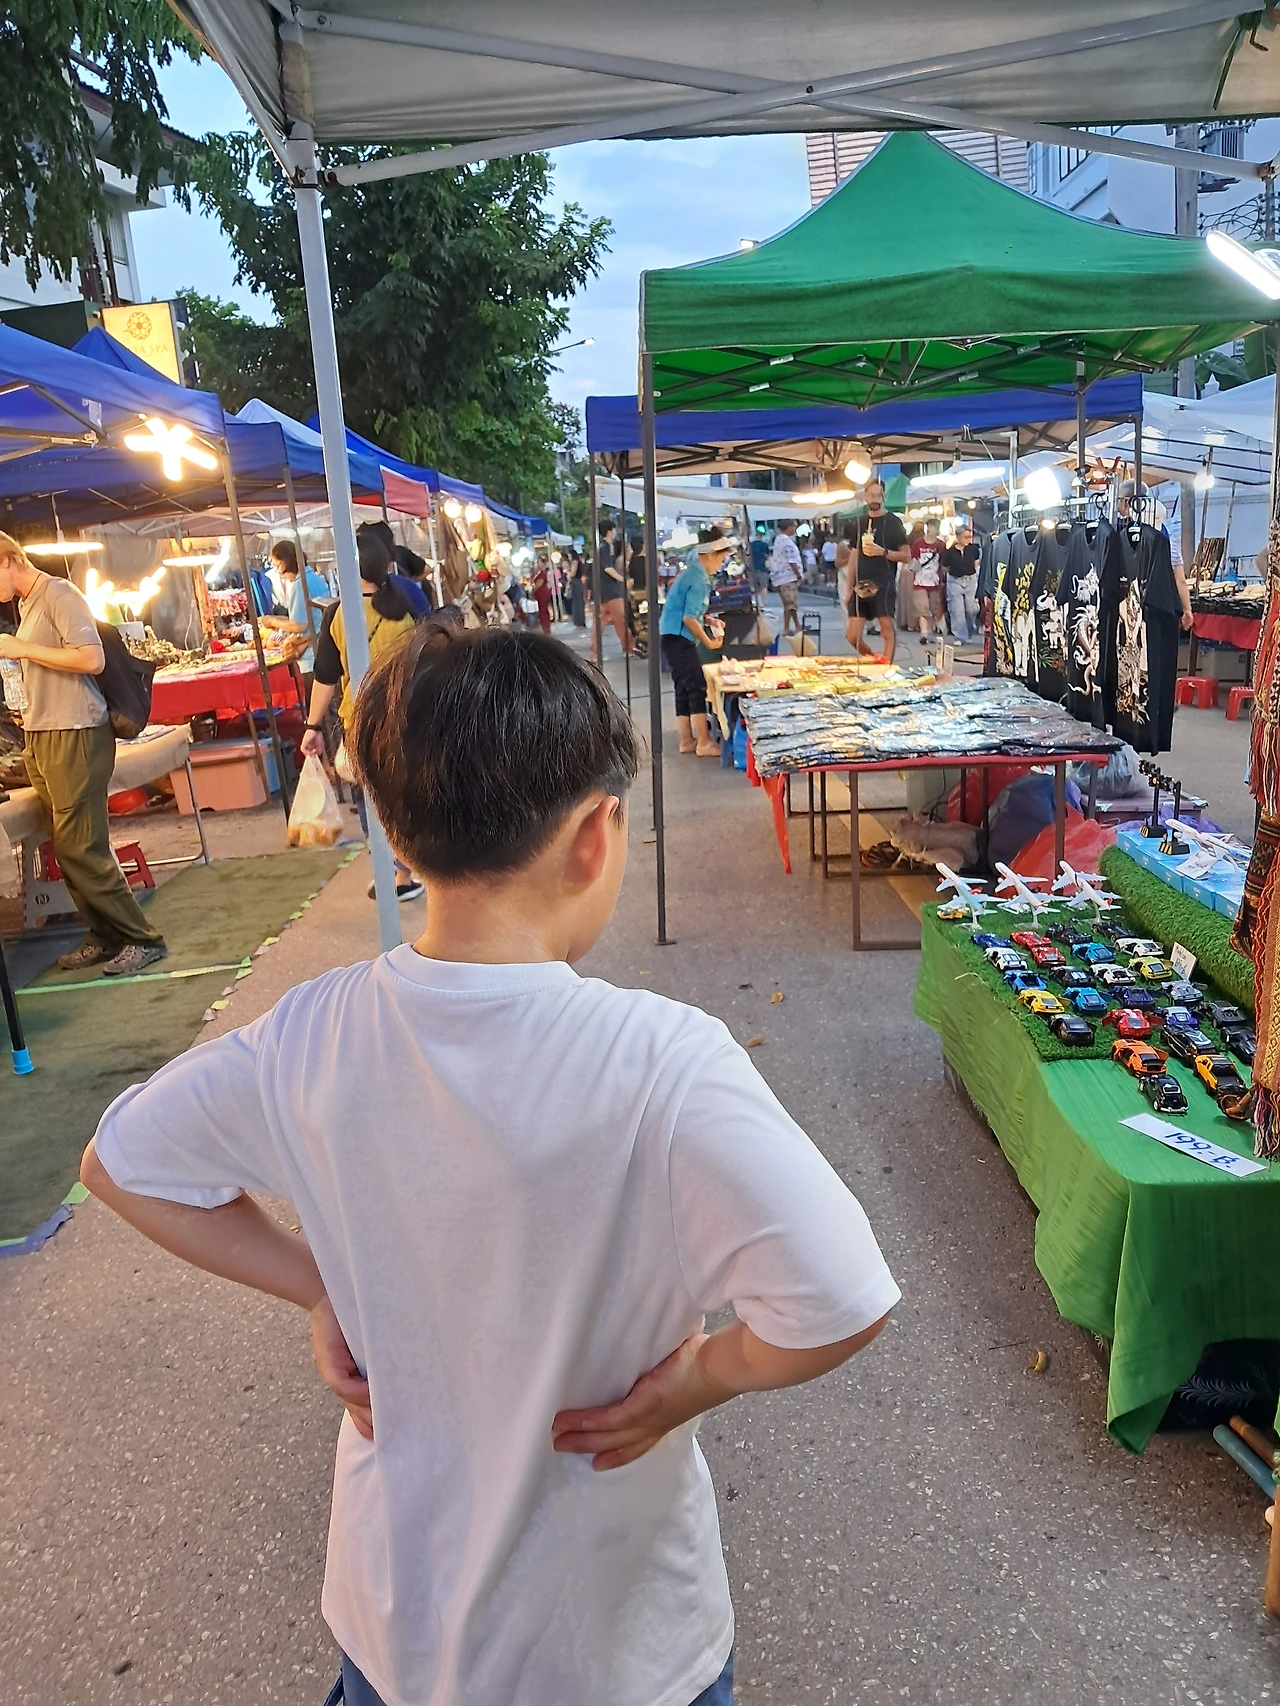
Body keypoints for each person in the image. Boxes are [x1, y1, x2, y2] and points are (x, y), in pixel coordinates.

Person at [80, 624, 898, 1706]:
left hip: (396, 1627)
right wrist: (696, 1380)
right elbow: (837, 1299)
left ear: (396, 834)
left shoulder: (311, 1032)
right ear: (597, 836)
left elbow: (118, 1163)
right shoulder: (661, 1061)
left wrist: (320, 1284)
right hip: (615, 1647)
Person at [0, 532, 166, 976]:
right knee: (64, 843)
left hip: (76, 732)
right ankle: (105, 934)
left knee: (81, 846)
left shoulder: (60, 594)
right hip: (42, 733)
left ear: (7, 560)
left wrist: (22, 649)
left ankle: (142, 938)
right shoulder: (28, 604)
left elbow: (92, 659)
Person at [301, 533, 423, 903]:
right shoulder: (406, 606)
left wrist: (312, 726)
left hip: (360, 723)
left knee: (370, 796)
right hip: (407, 718)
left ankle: (394, 871)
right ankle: (408, 869)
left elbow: (325, 676)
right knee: (404, 793)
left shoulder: (339, 614)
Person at [659, 532, 729, 756]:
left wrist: (709, 620)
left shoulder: (692, 573)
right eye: (721, 559)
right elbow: (689, 618)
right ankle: (704, 742)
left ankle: (687, 740)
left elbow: (692, 612)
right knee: (697, 686)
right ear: (710, 554)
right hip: (680, 637)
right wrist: (709, 642)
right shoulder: (699, 579)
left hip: (670, 636)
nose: (721, 564)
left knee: (683, 687)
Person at [847, 480, 910, 665]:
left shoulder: (893, 522)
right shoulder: (859, 522)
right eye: (871, 495)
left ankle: (886, 669)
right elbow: (854, 556)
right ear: (865, 497)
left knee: (887, 629)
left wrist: (883, 552)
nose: (874, 499)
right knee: (853, 636)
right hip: (861, 584)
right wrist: (848, 587)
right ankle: (875, 661)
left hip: (884, 581)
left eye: (878, 495)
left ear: (884, 497)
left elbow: (906, 555)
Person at [261, 539, 331, 675]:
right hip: (323, 651)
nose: (278, 572)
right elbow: (306, 616)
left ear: (285, 562)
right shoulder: (315, 578)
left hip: (311, 657)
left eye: (277, 566)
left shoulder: (300, 584)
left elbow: (299, 625)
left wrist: (271, 621)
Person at [591, 519, 632, 661]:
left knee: (599, 624)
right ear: (609, 531)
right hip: (612, 591)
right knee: (620, 620)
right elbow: (608, 568)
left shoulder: (602, 548)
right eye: (614, 530)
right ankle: (629, 648)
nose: (615, 532)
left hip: (601, 591)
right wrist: (623, 580)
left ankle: (595, 653)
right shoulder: (606, 548)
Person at [942, 524, 982, 644]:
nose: (969, 539)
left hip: (970, 579)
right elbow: (945, 566)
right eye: (966, 537)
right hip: (955, 580)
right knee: (957, 609)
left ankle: (970, 630)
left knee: (971, 608)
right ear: (958, 537)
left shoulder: (973, 549)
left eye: (970, 537)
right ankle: (959, 636)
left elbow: (976, 563)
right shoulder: (950, 552)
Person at [910, 519, 945, 646]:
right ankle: (924, 634)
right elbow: (913, 558)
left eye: (934, 526)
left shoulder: (941, 545)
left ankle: (929, 633)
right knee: (922, 607)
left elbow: (943, 562)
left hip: (935, 581)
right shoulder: (918, 543)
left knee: (932, 608)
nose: (932, 529)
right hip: (920, 580)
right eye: (930, 526)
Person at [769, 518, 803, 636]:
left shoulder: (778, 540)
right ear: (788, 527)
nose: (795, 528)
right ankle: (787, 628)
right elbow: (792, 561)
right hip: (788, 577)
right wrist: (798, 575)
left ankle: (796, 625)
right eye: (794, 526)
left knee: (789, 604)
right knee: (790, 604)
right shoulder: (787, 542)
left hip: (780, 577)